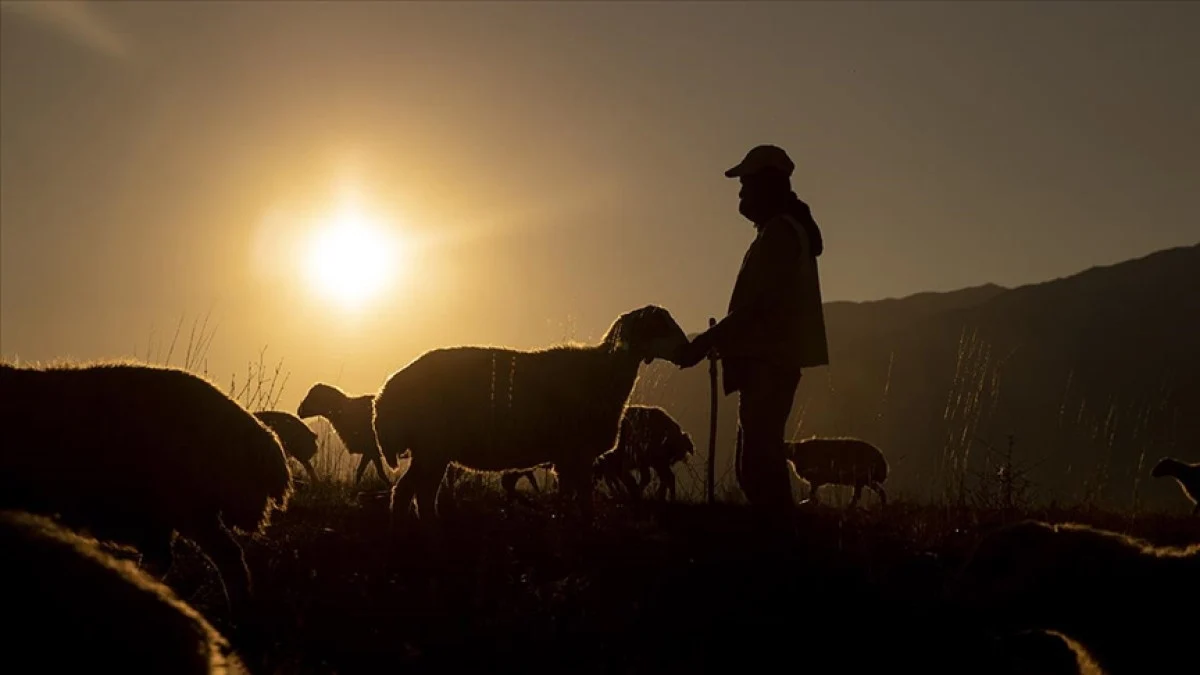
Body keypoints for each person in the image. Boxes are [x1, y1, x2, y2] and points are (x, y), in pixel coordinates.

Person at [674, 144, 829, 510]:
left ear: (767, 185)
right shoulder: (782, 231)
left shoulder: (778, 234)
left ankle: (779, 545)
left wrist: (706, 342)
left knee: (759, 464)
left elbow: (758, 306)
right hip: (770, 360)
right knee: (757, 461)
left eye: (746, 183)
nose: (741, 193)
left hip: (768, 362)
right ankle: (778, 542)